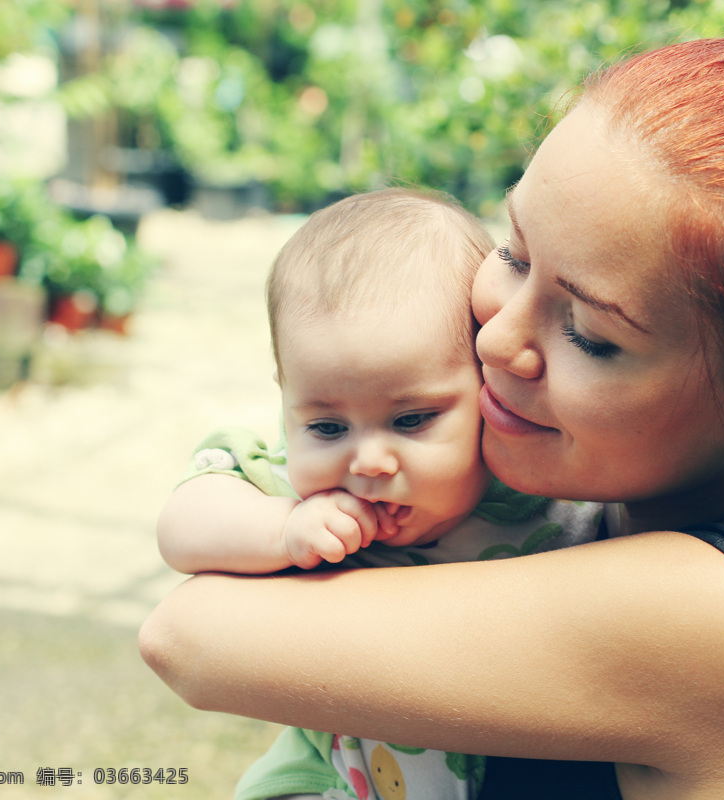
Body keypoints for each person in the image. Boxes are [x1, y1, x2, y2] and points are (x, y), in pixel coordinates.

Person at [140, 36, 724, 800]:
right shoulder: (669, 507)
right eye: (513, 252)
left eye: (588, 334)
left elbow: (192, 636)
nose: (499, 337)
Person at [157, 187, 603, 800]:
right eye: (327, 427)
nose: (366, 462)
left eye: (411, 420)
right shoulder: (294, 496)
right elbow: (183, 522)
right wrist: (282, 529)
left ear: (486, 390)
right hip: (338, 776)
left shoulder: (540, 496)